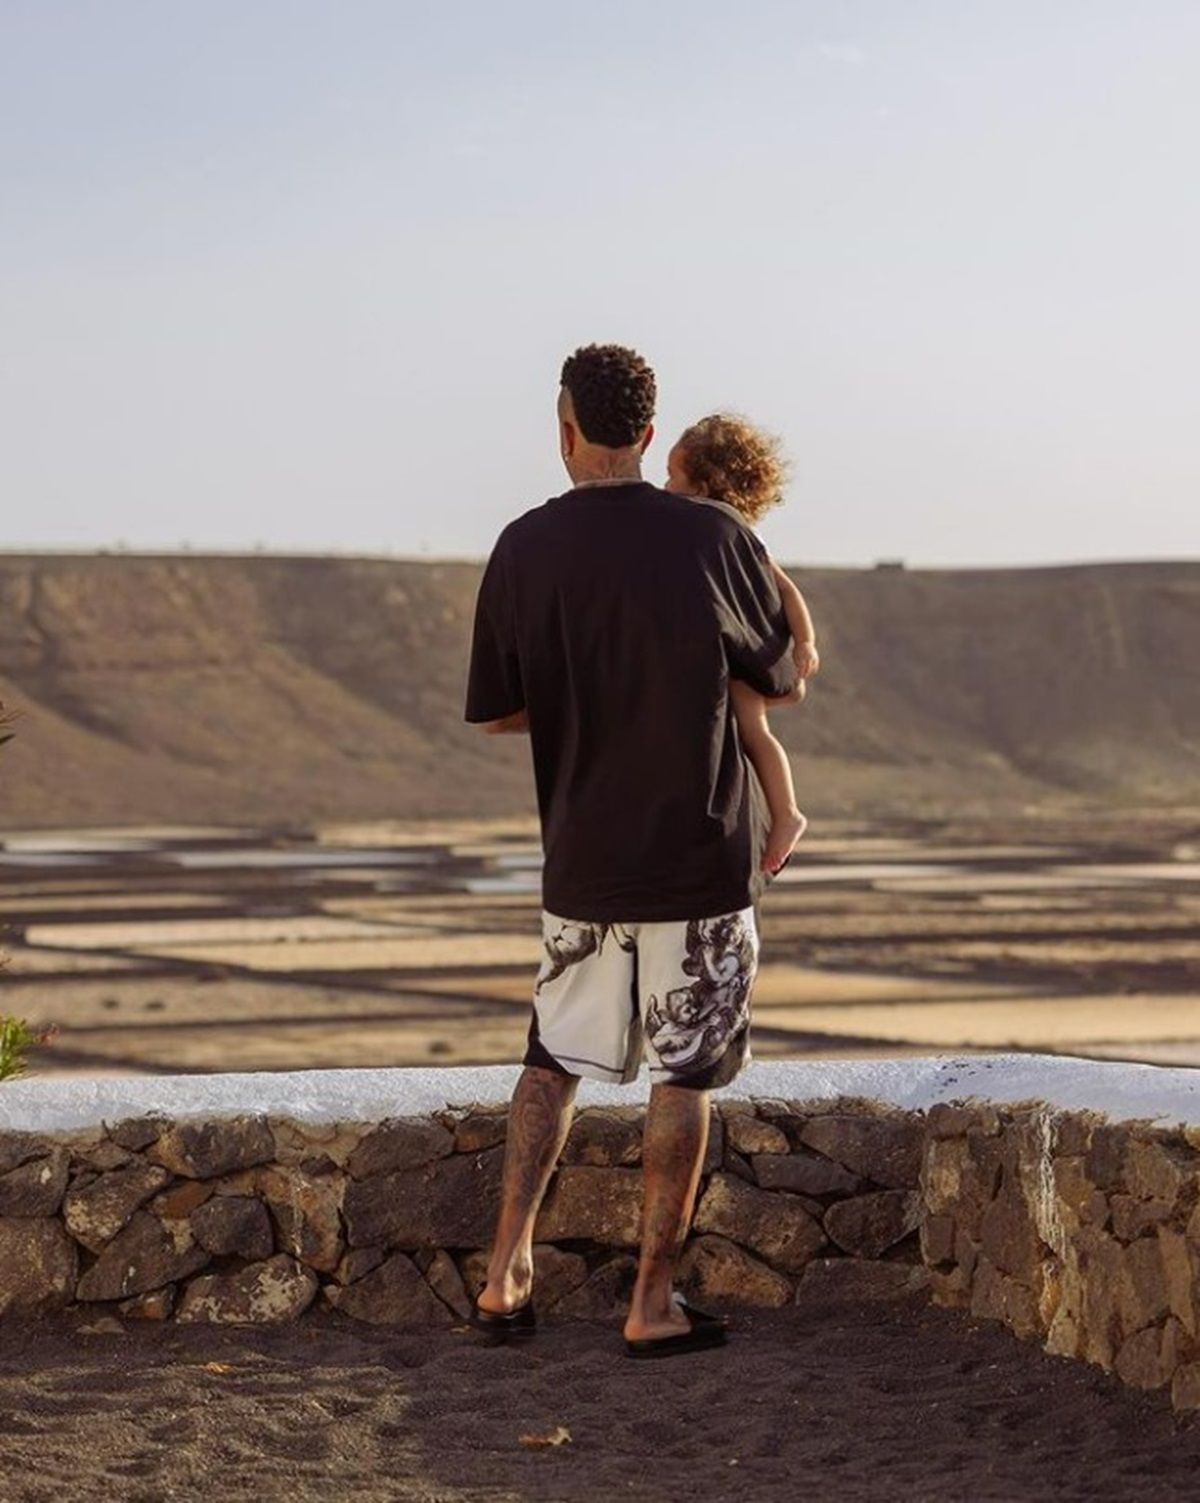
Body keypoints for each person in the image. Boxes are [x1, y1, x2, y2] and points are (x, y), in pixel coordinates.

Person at [464, 343, 804, 1359]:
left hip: (583, 862)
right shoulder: (714, 537)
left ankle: (503, 1277)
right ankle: (651, 1303)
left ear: (566, 428)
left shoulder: (523, 546)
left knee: (550, 1065)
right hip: (699, 862)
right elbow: (782, 680)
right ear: (651, 435)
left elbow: (497, 713)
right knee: (685, 1078)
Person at [665, 413, 819, 875]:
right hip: (737, 653)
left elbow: (789, 592)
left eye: (673, 476)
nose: (666, 487)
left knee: (754, 732)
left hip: (748, 658)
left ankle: (788, 813)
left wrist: (805, 643)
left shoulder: (739, 540)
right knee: (746, 732)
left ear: (707, 483)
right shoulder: (716, 537)